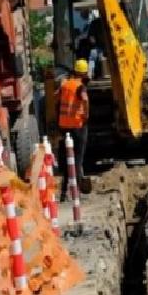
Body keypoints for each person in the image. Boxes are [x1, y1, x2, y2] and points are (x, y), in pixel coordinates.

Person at [56, 59, 90, 201]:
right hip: (78, 126)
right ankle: (75, 192)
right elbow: (85, 99)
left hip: (64, 126)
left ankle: (64, 192)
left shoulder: (65, 84)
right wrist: (86, 114)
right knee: (77, 159)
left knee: (66, 159)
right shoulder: (80, 87)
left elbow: (55, 97)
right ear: (84, 73)